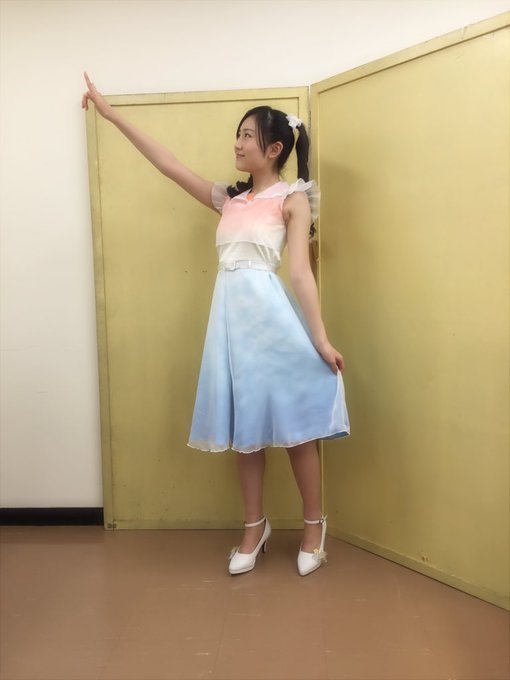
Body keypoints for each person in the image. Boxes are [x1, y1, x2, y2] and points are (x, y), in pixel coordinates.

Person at [82, 72, 350, 577]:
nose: (238, 143)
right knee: (244, 431)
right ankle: (254, 527)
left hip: (274, 325)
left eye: (247, 135)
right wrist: (111, 114)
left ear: (274, 149)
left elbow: (299, 273)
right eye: (238, 134)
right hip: (231, 328)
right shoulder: (230, 199)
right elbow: (169, 165)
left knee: (296, 430)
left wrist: (320, 339)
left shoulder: (291, 199)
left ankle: (314, 527)